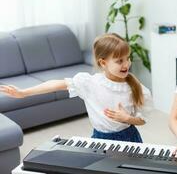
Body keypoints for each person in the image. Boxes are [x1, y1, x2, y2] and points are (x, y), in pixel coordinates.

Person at [0, 33, 152, 143]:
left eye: (128, 59)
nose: (126, 64)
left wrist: (128, 119)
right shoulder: (89, 83)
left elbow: (142, 120)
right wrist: (24, 93)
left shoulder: (135, 87)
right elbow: (57, 84)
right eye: (120, 61)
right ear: (103, 63)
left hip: (129, 138)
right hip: (100, 139)